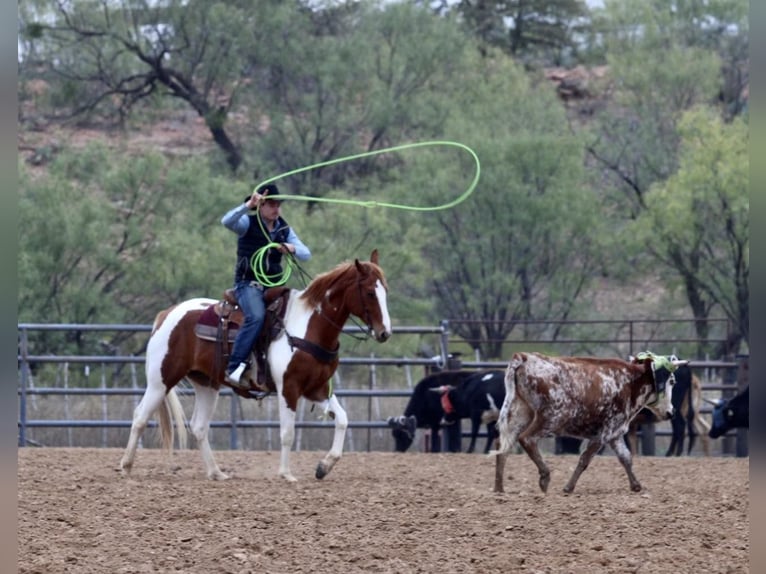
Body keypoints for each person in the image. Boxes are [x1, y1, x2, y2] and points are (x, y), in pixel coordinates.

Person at [220, 183, 311, 395]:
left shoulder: (283, 229)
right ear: (260, 205)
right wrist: (246, 206)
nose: (276, 209)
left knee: (293, 314)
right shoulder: (246, 223)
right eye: (271, 204)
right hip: (248, 284)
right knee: (256, 316)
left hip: (274, 284)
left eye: (278, 204)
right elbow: (227, 221)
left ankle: (279, 365)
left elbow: (306, 253)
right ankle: (234, 367)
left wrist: (292, 248)